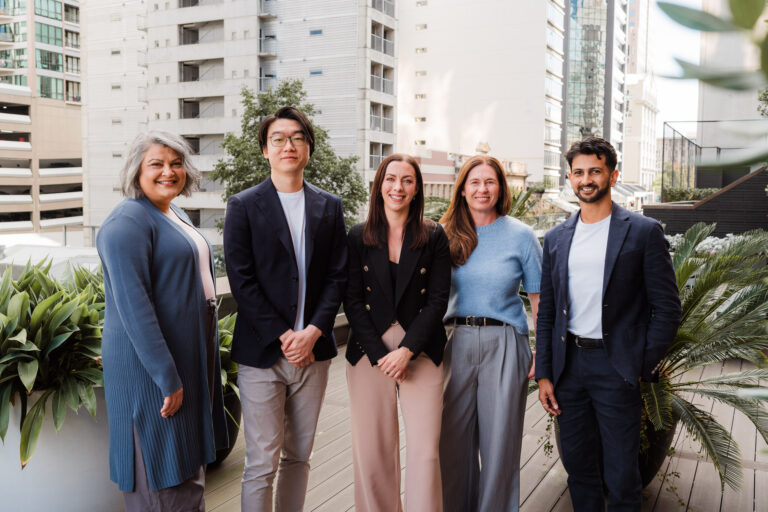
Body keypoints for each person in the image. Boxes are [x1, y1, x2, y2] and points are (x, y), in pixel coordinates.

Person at [535, 137, 681, 511]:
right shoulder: (555, 239)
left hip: (616, 366)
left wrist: (639, 363)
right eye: (579, 172)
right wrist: (545, 374)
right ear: (570, 177)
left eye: (595, 171)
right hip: (569, 368)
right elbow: (548, 311)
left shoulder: (643, 232)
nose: (586, 179)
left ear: (612, 176)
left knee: (621, 475)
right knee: (579, 469)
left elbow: (667, 307)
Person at [223, 106, 348, 512]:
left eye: (297, 137)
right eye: (278, 138)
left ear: (308, 147)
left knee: (299, 456)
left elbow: (337, 276)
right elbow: (242, 281)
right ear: (265, 150)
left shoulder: (328, 206)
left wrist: (312, 331)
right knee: (261, 462)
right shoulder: (242, 205)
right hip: (262, 354)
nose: (288, 145)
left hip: (314, 353)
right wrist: (284, 335)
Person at [97, 131, 228, 511]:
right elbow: (135, 309)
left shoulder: (173, 212)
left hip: (185, 358)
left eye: (176, 163)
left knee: (186, 472)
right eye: (156, 163)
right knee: (161, 476)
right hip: (151, 370)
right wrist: (166, 377)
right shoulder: (126, 224)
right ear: (136, 169)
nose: (168, 171)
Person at [344, 154, 451, 512]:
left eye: (407, 180)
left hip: (420, 349)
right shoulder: (358, 236)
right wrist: (381, 355)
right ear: (380, 185)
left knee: (424, 452)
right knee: (373, 450)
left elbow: (437, 301)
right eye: (391, 179)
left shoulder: (434, 236)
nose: (398, 187)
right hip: (368, 351)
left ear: (416, 188)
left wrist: (406, 351)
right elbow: (353, 301)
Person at [439, 155, 542, 512]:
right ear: (463, 189)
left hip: (504, 343)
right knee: (451, 443)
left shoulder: (522, 236)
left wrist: (540, 351)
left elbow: (538, 299)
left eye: (490, 182)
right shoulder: (444, 234)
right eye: (475, 182)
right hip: (453, 343)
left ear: (501, 188)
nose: (482, 189)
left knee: (500, 444)